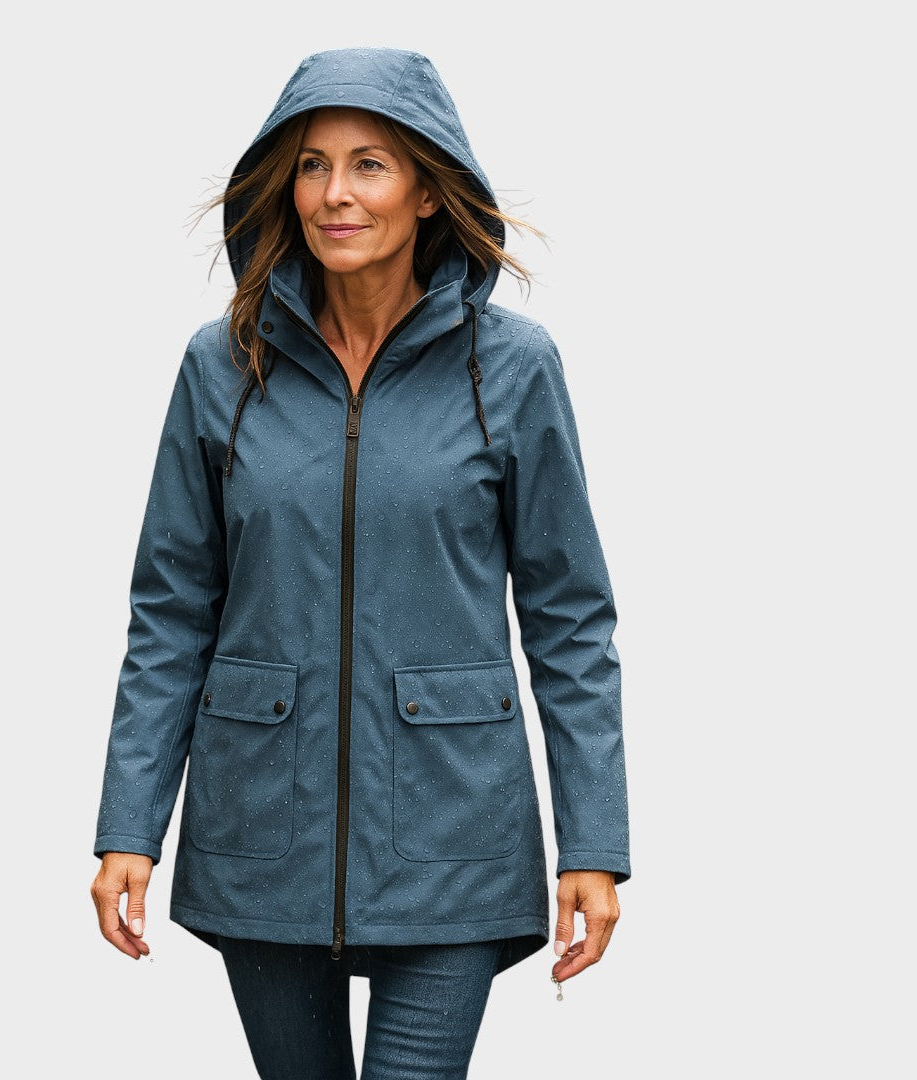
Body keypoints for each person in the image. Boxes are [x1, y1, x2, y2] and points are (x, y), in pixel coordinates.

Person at [90, 46, 631, 1079]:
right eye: (312, 165)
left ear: (428, 190)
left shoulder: (513, 369)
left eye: (369, 164)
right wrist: (130, 825)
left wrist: (595, 842)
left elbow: (570, 619)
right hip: (261, 827)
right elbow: (171, 611)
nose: (335, 193)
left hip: (454, 832)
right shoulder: (222, 365)